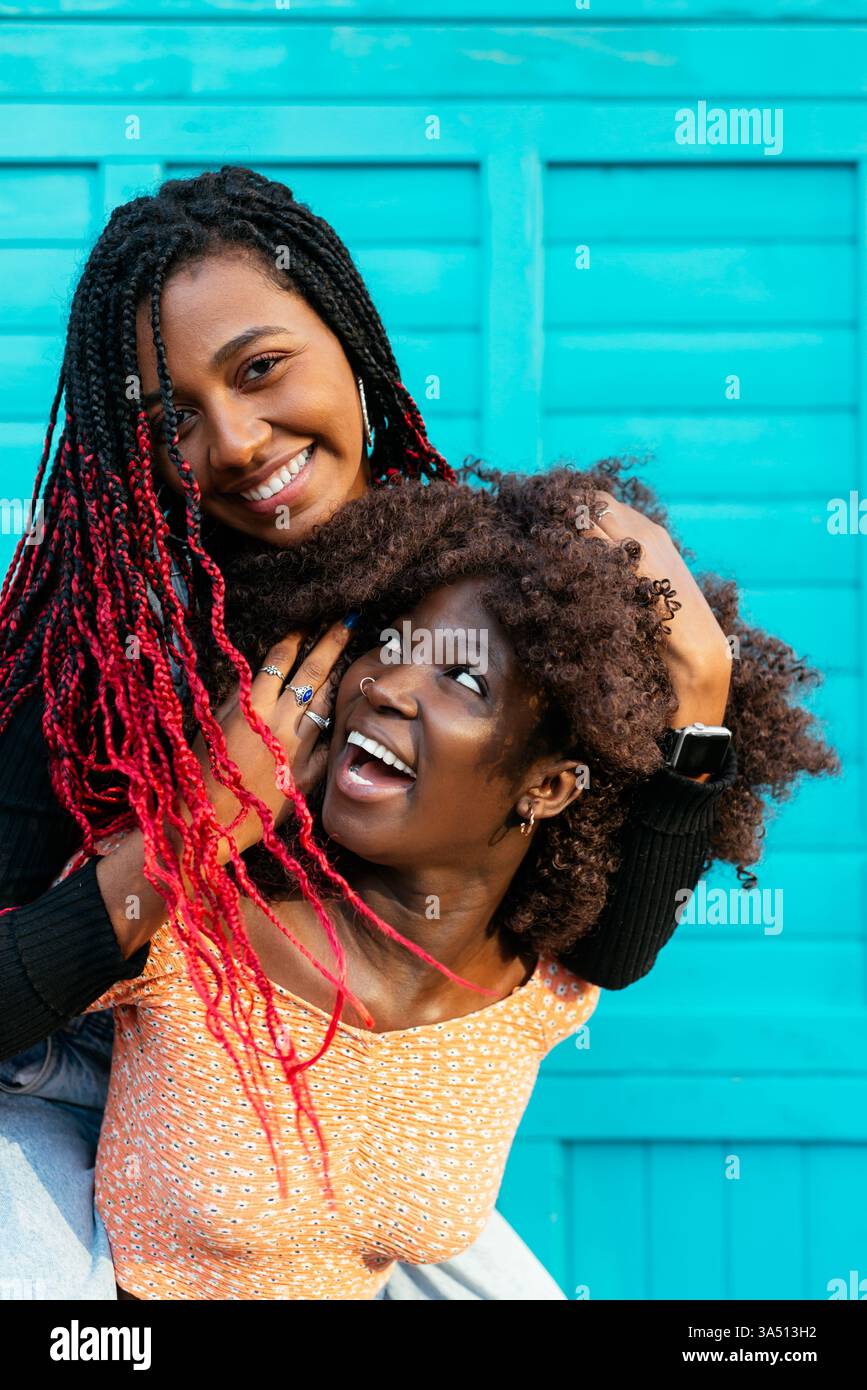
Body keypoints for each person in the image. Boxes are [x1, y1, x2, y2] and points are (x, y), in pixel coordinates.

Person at [0, 166, 735, 1301]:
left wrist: (701, 704)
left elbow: (605, 950)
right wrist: (195, 828)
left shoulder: (466, 581)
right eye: (173, 420)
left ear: (345, 336)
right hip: (64, 1077)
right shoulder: (99, 651)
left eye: (258, 369)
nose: (237, 442)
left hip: (311, 1097)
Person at [57, 461, 835, 1300]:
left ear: (549, 787)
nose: (386, 688)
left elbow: (634, 928)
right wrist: (192, 828)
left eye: (461, 680)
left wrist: (702, 699)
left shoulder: (543, 994)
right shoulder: (184, 927)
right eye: (387, 650)